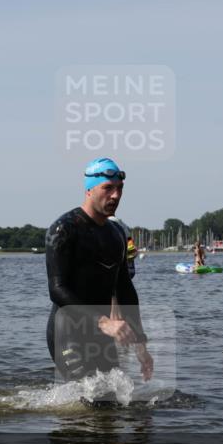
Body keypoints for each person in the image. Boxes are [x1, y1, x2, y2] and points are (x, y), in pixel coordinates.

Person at [45, 158, 153, 383]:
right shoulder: (63, 229)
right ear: (89, 190)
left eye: (119, 189)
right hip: (68, 332)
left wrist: (140, 342)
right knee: (89, 399)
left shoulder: (117, 234)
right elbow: (57, 289)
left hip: (101, 334)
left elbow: (125, 290)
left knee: (111, 402)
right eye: (107, 188)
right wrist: (105, 322)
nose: (115, 195)